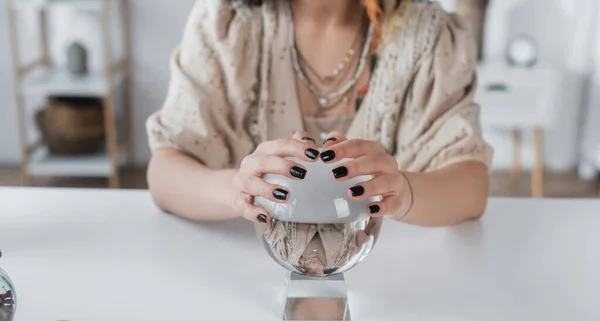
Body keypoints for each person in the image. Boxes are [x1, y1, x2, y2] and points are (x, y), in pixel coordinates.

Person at [146, 0, 493, 227]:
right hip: (234, 278)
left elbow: (471, 185)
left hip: (396, 287)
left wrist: (403, 192)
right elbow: (164, 175)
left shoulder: (428, 34)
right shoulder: (227, 22)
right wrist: (238, 190)